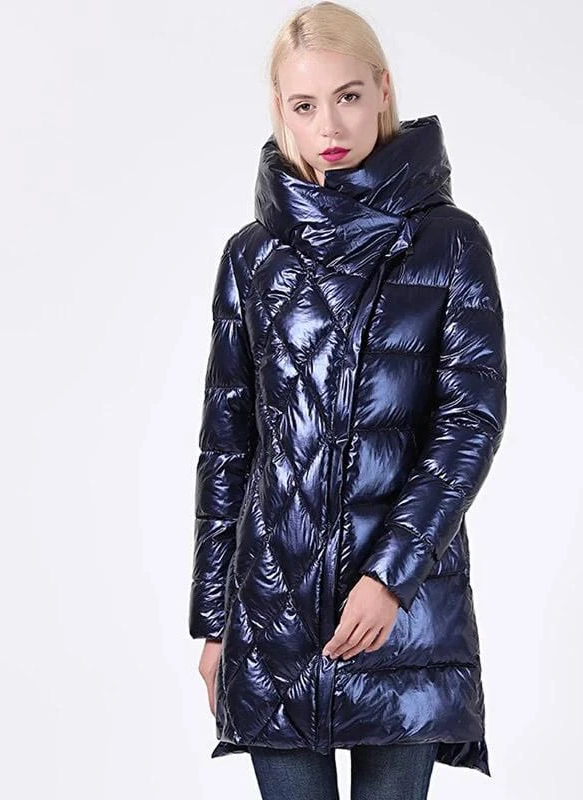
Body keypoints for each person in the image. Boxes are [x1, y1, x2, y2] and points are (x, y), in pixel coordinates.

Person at [188, 3, 508, 798]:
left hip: (403, 609)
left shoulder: (451, 243)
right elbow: (228, 446)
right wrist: (214, 622)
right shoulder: (250, 258)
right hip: (272, 613)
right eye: (304, 105)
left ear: (383, 90)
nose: (329, 125)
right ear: (279, 109)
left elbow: (468, 425)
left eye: (349, 96)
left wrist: (390, 577)